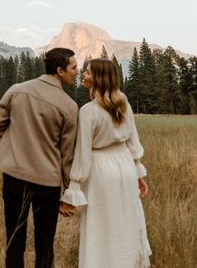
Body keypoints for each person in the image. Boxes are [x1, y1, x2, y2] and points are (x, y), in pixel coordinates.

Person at [0, 48, 78, 268]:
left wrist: (8, 159)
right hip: (47, 184)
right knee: (45, 244)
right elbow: (68, 156)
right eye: (73, 67)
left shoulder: (17, 91)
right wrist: (68, 191)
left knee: (14, 240)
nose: (77, 72)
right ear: (59, 70)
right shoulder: (69, 107)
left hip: (14, 179)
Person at [60, 58, 152, 268]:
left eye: (88, 73)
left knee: (100, 225)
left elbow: (82, 154)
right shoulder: (123, 103)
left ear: (99, 79)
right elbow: (133, 141)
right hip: (126, 166)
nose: (83, 75)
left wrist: (71, 192)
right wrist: (138, 175)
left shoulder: (88, 111)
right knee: (126, 220)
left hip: (101, 171)